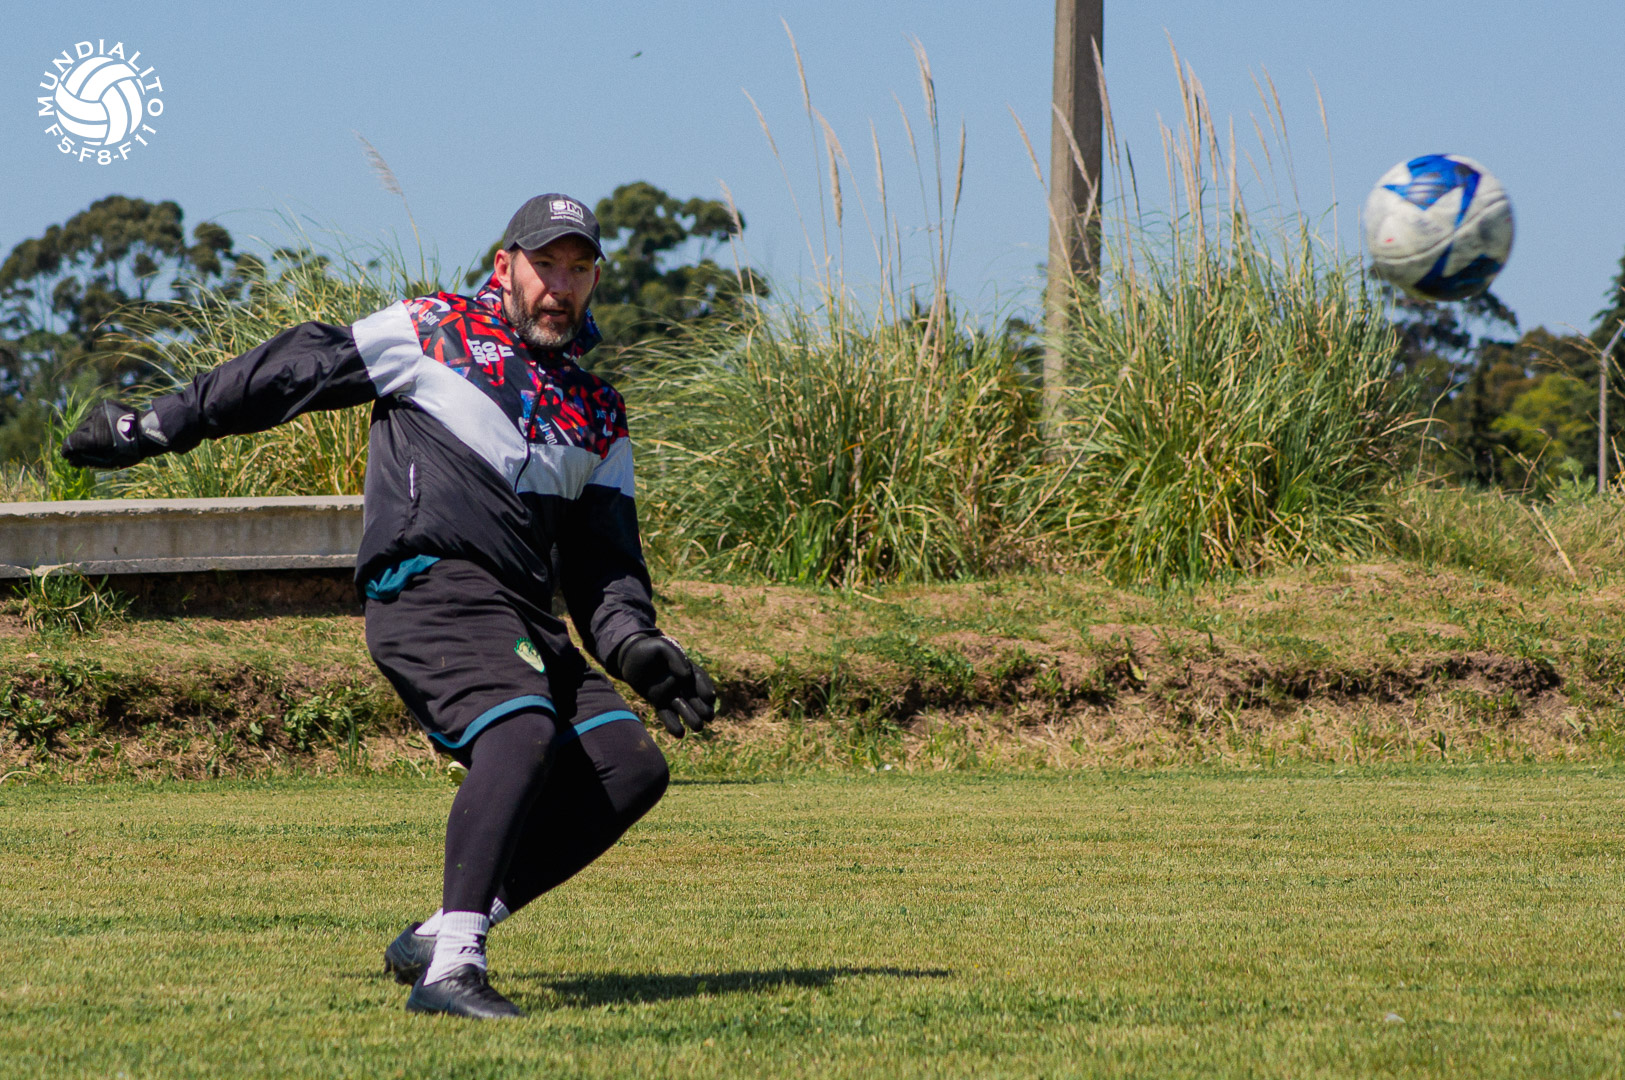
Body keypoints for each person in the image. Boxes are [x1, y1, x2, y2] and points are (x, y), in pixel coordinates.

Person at [59, 193, 717, 1020]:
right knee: (519, 732)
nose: (559, 285)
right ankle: (452, 970)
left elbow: (603, 564)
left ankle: (442, 930)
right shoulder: (433, 330)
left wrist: (633, 646)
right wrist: (157, 424)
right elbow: (295, 369)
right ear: (504, 266)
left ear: (593, 281)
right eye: (544, 264)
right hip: (431, 587)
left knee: (629, 767)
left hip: (523, 617)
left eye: (578, 269)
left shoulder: (599, 410)